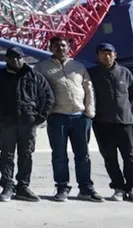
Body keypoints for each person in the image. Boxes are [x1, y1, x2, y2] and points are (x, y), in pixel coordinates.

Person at [34, 36, 102, 202]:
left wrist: (89, 113)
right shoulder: (41, 67)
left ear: (68, 47)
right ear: (50, 48)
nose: (60, 48)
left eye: (63, 45)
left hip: (80, 117)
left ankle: (86, 188)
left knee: (83, 155)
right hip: (57, 117)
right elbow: (36, 91)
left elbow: (88, 88)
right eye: (56, 46)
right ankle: (62, 187)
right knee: (59, 155)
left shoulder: (78, 66)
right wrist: (44, 113)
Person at [0, 46, 54, 202]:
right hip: (7, 122)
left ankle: (23, 186)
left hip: (28, 123)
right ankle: (7, 186)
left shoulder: (35, 76)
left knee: (26, 155)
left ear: (24, 58)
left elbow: (48, 97)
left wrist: (40, 117)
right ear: (6, 59)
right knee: (6, 155)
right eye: (11, 57)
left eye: (18, 57)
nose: (15, 60)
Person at [87, 43, 133, 203]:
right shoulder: (92, 74)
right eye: (103, 53)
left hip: (125, 122)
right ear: (97, 56)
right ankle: (118, 188)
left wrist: (126, 106)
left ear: (115, 55)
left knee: (130, 156)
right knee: (110, 158)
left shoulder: (125, 73)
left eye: (110, 53)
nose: (107, 56)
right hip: (102, 123)